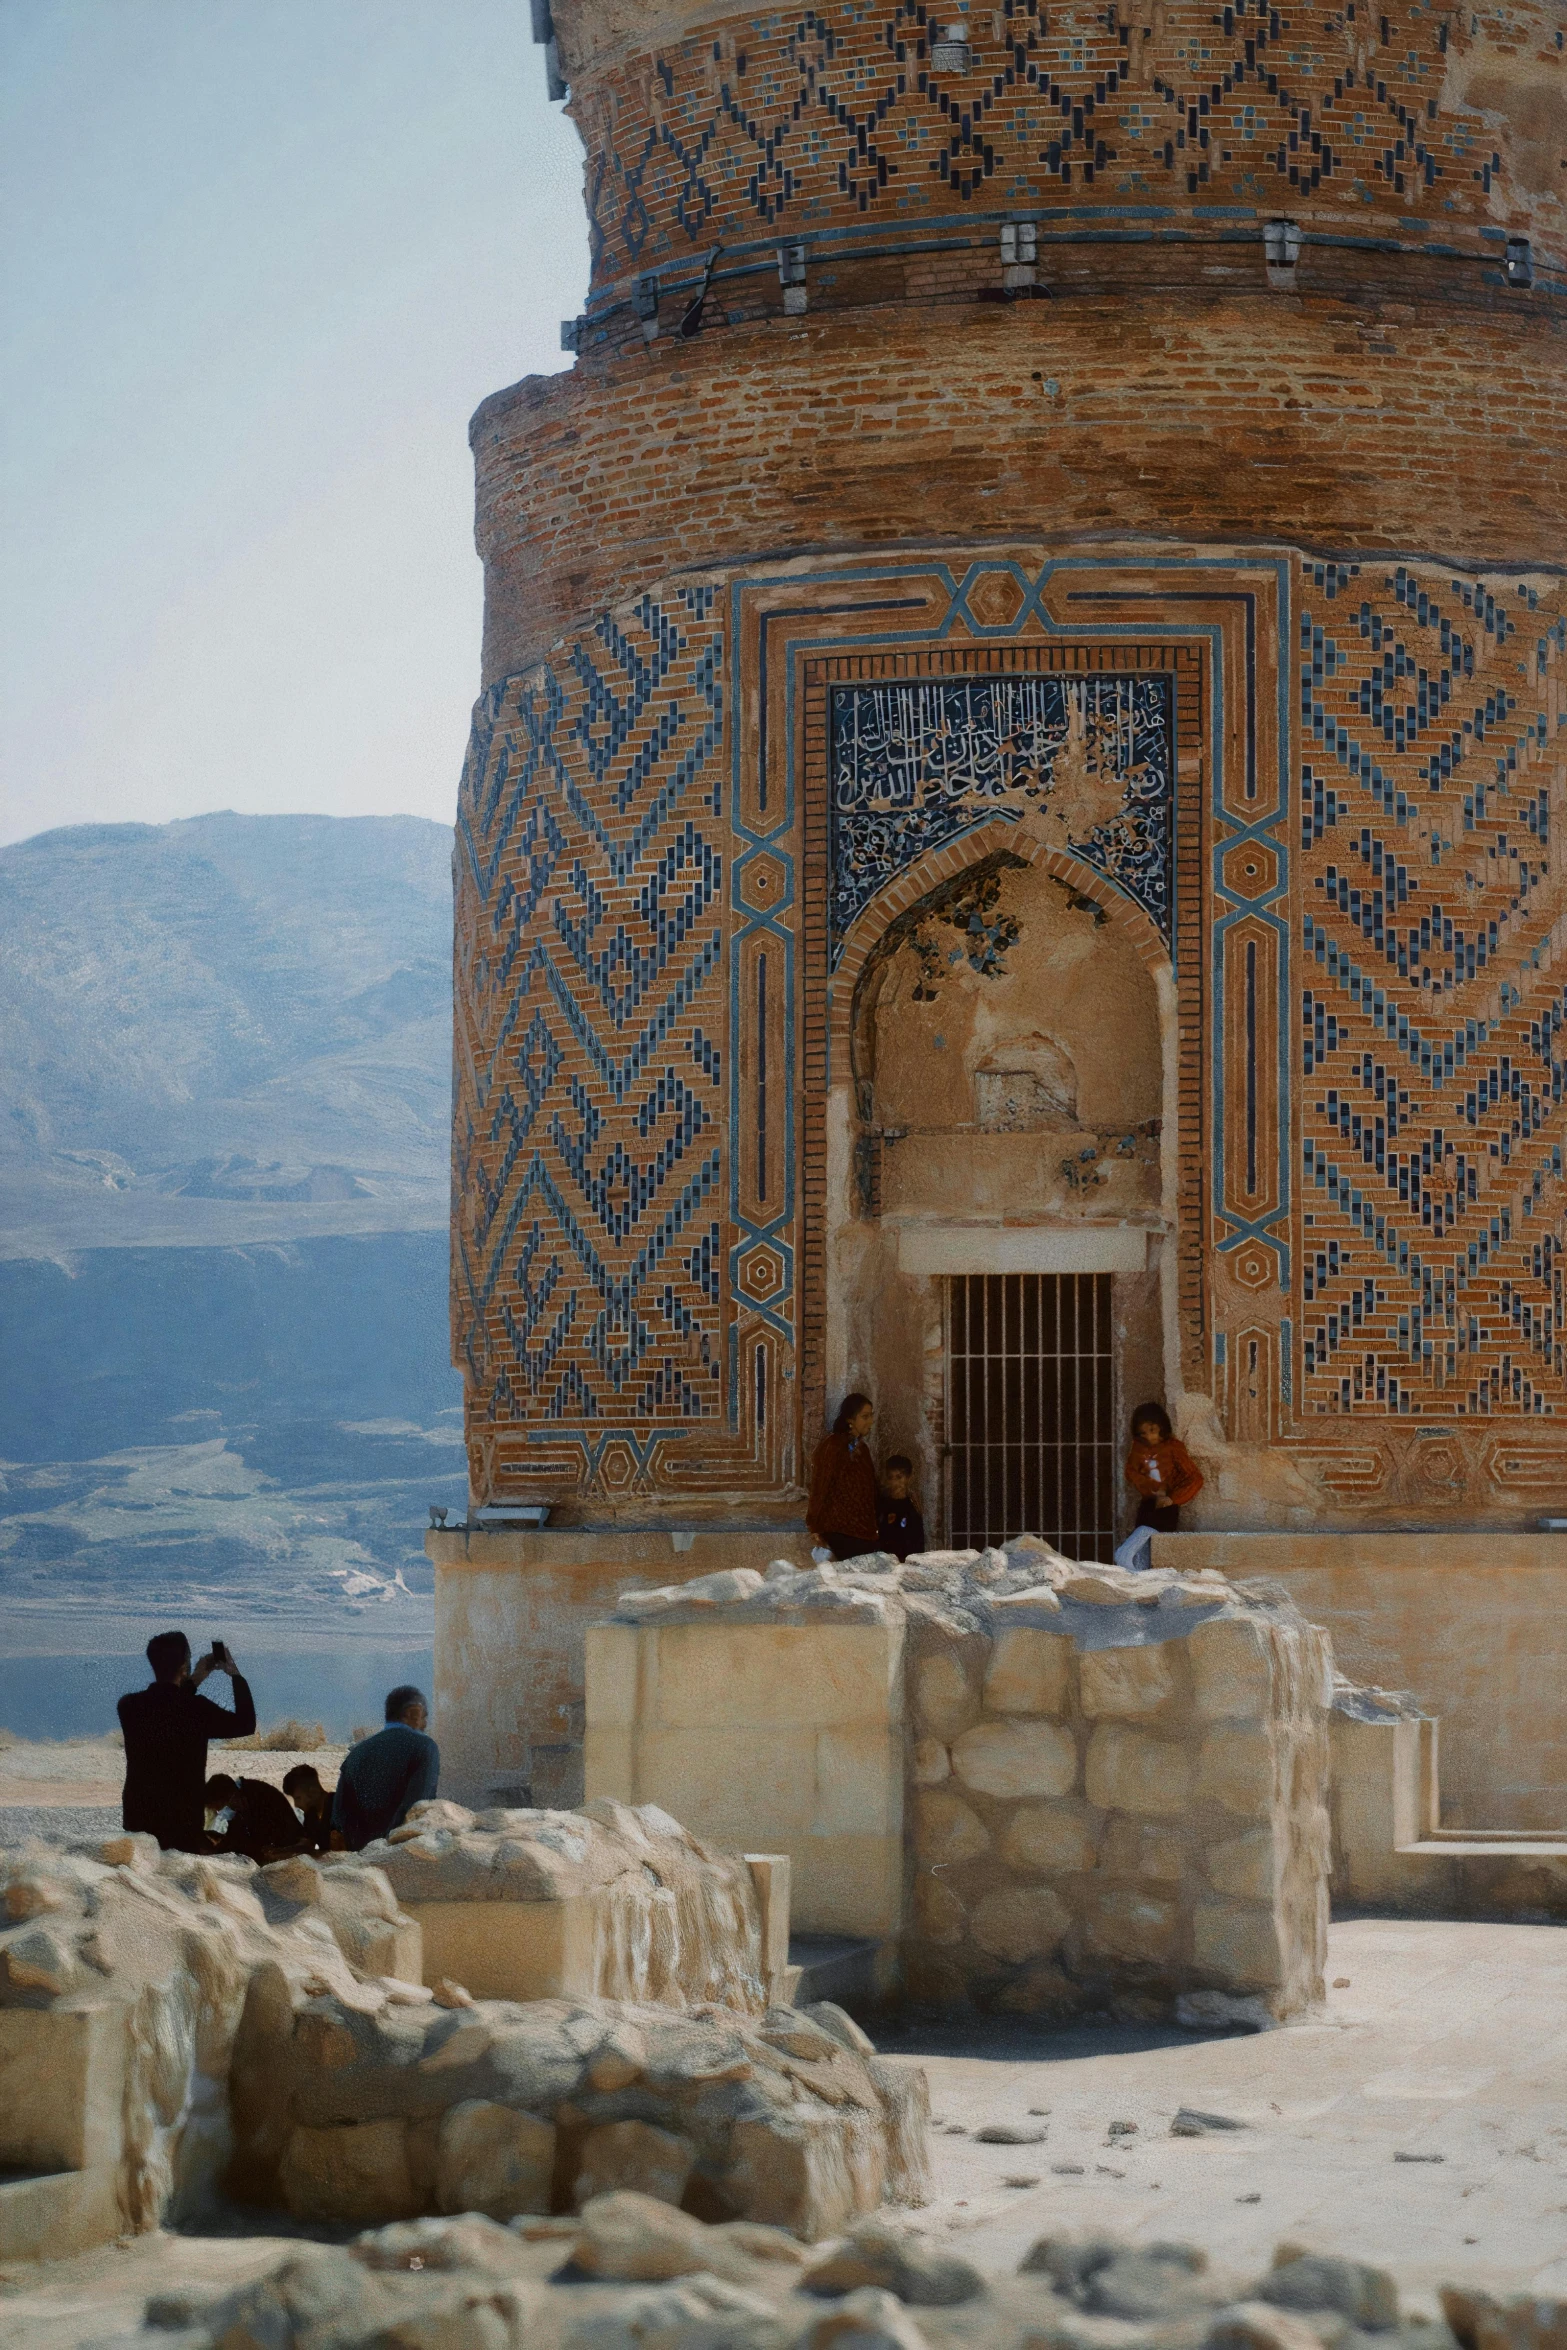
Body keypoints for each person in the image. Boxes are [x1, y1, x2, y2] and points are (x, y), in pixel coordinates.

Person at [118, 1632, 257, 1853]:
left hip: (138, 1820)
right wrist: (234, 1673)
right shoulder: (197, 1710)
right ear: (185, 1664)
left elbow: (168, 1706)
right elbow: (246, 1724)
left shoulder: (128, 1706)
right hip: (182, 1824)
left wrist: (194, 1679)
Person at [332, 1686, 440, 1850]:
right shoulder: (425, 1748)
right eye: (424, 1717)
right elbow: (418, 1807)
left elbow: (338, 1818)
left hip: (360, 1858)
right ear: (413, 1713)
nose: (425, 1724)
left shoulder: (357, 1752)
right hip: (400, 1853)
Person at [1113, 1401, 1203, 1569]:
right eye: (1143, 1433)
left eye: (1152, 1430)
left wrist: (1173, 1498)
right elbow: (1131, 1472)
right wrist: (1149, 1486)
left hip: (1167, 1503)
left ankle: (1129, 1559)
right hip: (1149, 1499)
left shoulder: (1174, 1447)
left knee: (1155, 1532)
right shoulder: (1138, 1448)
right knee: (1145, 1531)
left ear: (1162, 1426)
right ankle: (1130, 1563)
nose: (1149, 1437)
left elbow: (1195, 1478)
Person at [806, 1392, 879, 1562]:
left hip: (863, 1530)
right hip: (840, 1530)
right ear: (850, 1420)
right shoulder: (832, 1446)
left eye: (871, 1416)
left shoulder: (863, 1449)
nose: (870, 1421)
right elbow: (821, 1485)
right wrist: (814, 1524)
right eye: (865, 1416)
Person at [205, 1771, 308, 1864]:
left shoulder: (257, 1797)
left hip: (289, 1845)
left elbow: (260, 1837)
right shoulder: (242, 1798)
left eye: (218, 1808)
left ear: (227, 1798)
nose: (220, 1812)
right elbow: (237, 1833)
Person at [877, 1453, 926, 1562]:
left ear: (908, 1478)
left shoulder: (912, 1507)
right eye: (891, 1477)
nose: (895, 1482)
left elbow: (918, 1542)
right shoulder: (882, 1505)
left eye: (899, 1477)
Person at [282, 1762, 335, 1853]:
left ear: (313, 1792)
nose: (296, 1805)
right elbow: (309, 1844)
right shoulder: (311, 1817)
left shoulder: (338, 1806)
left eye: (298, 1798)